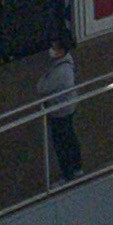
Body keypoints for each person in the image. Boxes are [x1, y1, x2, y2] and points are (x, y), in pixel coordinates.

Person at [38, 35, 83, 181]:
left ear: (61, 51)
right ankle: (77, 168)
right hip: (68, 107)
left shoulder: (60, 71)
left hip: (60, 111)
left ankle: (68, 174)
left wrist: (44, 78)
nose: (52, 50)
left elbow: (42, 88)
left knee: (61, 144)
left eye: (55, 48)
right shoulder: (66, 64)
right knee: (70, 138)